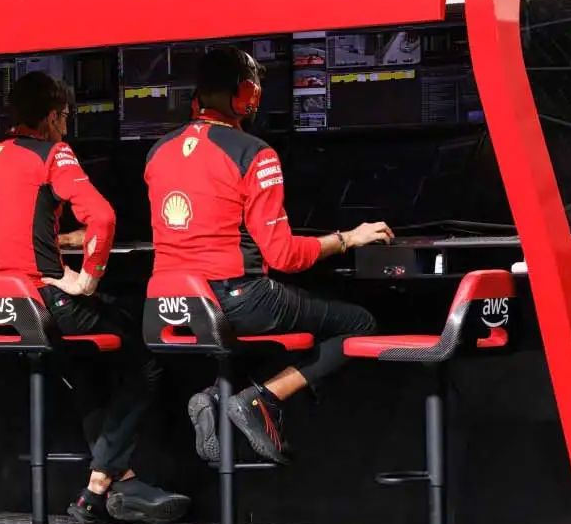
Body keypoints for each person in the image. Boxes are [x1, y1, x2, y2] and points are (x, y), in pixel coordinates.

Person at [0, 71, 188, 524]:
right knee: (147, 354)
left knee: (81, 370)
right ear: (52, 117)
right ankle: (103, 480)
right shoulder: (53, 154)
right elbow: (104, 218)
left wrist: (55, 244)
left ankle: (109, 487)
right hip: (41, 305)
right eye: (65, 117)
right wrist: (87, 279)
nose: (66, 126)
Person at [145, 47, 393, 465]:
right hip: (235, 298)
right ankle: (261, 399)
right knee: (358, 323)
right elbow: (283, 256)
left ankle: (215, 396)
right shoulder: (254, 153)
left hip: (169, 305)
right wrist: (347, 238)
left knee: (256, 337)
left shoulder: (157, 153)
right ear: (247, 95)